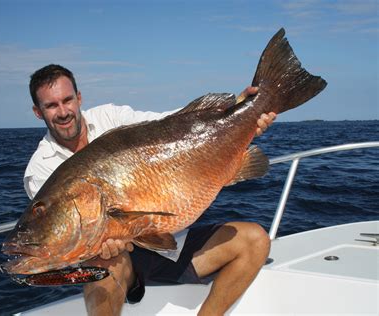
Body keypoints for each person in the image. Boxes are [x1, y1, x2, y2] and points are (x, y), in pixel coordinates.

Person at [24, 64, 276, 315]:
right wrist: (108, 243)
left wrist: (240, 109)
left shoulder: (109, 118)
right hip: (123, 264)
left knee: (255, 240)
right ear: (38, 112)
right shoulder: (41, 169)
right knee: (103, 269)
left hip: (171, 244)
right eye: (51, 105)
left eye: (67, 100)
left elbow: (167, 123)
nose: (63, 111)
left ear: (79, 98)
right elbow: (71, 241)